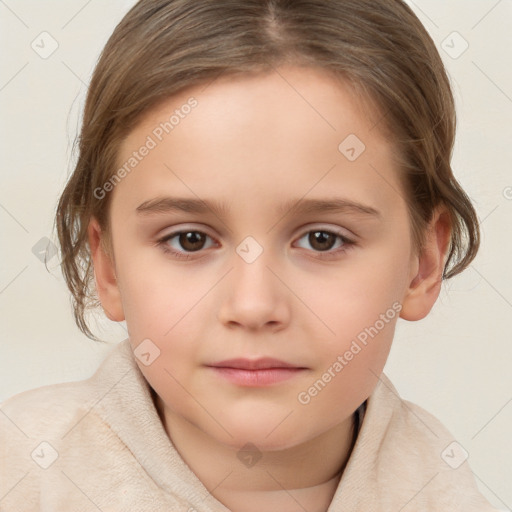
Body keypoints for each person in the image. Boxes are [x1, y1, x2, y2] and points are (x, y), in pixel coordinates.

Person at [0, 0, 500, 510]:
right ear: (107, 267)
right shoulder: (23, 473)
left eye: (322, 239)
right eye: (189, 239)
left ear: (423, 263)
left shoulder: (443, 494)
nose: (254, 306)